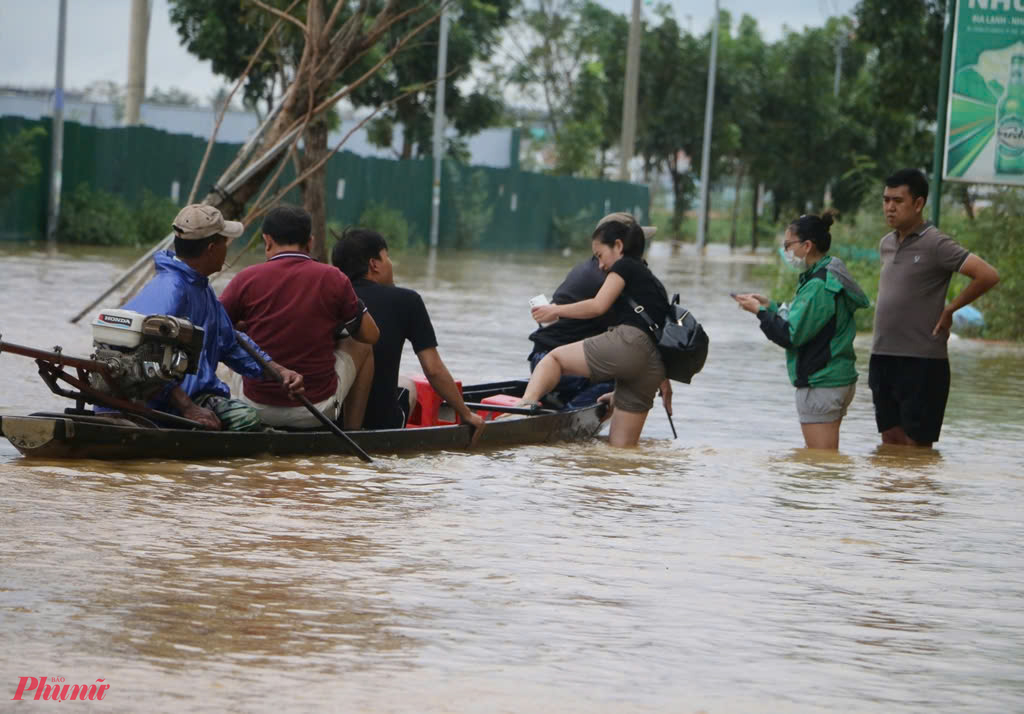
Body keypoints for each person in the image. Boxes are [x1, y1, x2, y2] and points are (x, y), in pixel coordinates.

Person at [123, 204, 304, 431]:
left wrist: (279, 372)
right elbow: (142, 359)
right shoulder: (170, 291)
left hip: (189, 396)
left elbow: (230, 344)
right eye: (224, 242)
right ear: (211, 248)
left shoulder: (201, 287)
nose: (227, 248)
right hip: (168, 402)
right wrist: (188, 407)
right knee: (246, 419)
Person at [869, 168, 999, 447]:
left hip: (922, 361)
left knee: (917, 449)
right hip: (883, 355)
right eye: (886, 200)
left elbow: (988, 275)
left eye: (898, 201)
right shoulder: (887, 244)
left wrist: (951, 308)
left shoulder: (935, 243)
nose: (890, 207)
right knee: (890, 443)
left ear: (918, 204)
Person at [219, 205, 380, 429]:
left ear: (267, 240)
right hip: (316, 410)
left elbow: (214, 330)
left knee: (228, 342)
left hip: (255, 407)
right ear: (311, 242)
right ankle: (354, 431)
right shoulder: (334, 278)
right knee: (361, 346)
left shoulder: (245, 279)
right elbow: (371, 335)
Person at [520, 216, 672, 448]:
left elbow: (597, 306)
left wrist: (555, 311)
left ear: (619, 245)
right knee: (621, 452)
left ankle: (521, 412)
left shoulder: (621, 267)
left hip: (629, 346)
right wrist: (661, 379)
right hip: (652, 365)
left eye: (600, 255)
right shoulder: (653, 282)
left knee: (555, 359)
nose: (600, 264)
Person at [733, 211, 870, 450]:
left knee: (820, 466)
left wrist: (760, 313)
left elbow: (790, 335)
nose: (786, 251)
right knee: (824, 461)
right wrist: (770, 306)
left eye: (788, 245)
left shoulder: (818, 285)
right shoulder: (827, 275)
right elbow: (808, 319)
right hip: (835, 379)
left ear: (807, 246)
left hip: (822, 383)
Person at [331, 227, 485, 434]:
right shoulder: (407, 301)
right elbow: (433, 369)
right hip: (380, 424)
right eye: (388, 257)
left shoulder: (330, 298)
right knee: (408, 386)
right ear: (374, 264)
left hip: (329, 418)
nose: (391, 264)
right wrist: (466, 414)